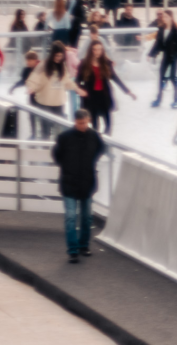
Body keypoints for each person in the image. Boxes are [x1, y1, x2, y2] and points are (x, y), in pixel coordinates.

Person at [52, 109, 106, 263]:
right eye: (80, 123)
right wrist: (69, 168)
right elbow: (57, 155)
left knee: (87, 217)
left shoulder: (94, 136)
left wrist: (89, 164)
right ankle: (73, 250)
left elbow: (100, 149)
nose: (83, 126)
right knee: (70, 217)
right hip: (70, 182)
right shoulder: (65, 137)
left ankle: (83, 245)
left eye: (85, 123)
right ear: (75, 122)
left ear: (88, 121)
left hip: (86, 182)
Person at [75, 41, 135, 134]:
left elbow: (115, 78)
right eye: (95, 49)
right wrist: (80, 90)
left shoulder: (106, 63)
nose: (97, 52)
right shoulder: (84, 63)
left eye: (99, 49)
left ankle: (107, 144)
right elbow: (77, 81)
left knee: (108, 124)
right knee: (95, 125)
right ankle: (97, 144)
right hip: (91, 98)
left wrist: (128, 91)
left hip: (104, 97)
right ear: (91, 50)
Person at [26, 42, 80, 135]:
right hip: (45, 103)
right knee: (46, 129)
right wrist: (31, 87)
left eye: (60, 56)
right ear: (52, 54)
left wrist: (77, 88)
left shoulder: (62, 66)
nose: (58, 58)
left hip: (58, 103)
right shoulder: (44, 65)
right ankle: (46, 147)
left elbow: (66, 81)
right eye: (56, 56)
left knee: (58, 130)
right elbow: (34, 77)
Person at [148, 10, 177, 109]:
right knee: (161, 77)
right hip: (166, 56)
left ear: (171, 17)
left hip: (174, 56)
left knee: (173, 78)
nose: (164, 18)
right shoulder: (161, 29)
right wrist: (151, 54)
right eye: (163, 17)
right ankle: (158, 99)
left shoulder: (176, 30)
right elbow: (158, 44)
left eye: (166, 17)